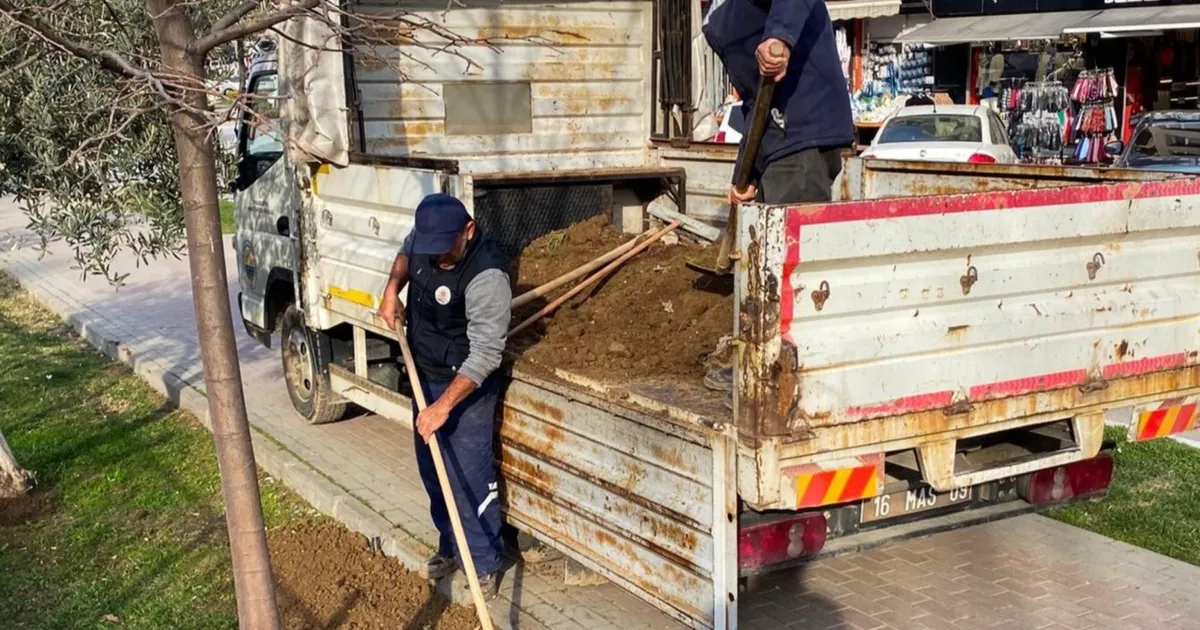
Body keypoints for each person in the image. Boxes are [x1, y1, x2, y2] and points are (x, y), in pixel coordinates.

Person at [701, 0, 854, 405]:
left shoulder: (753, 13)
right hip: (780, 144)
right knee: (763, 263)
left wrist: (780, 36)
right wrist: (743, 175)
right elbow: (756, 104)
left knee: (785, 268)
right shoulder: (719, 18)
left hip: (800, 142)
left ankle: (778, 380)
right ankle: (760, 367)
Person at [377, 193, 511, 598]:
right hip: (424, 372)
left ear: (467, 231)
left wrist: (441, 408)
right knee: (433, 472)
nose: (436, 258)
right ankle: (452, 547)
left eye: (444, 249)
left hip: (465, 385)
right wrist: (391, 289)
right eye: (429, 248)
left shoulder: (488, 275)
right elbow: (404, 255)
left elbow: (487, 352)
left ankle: (485, 563)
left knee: (468, 477)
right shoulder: (425, 239)